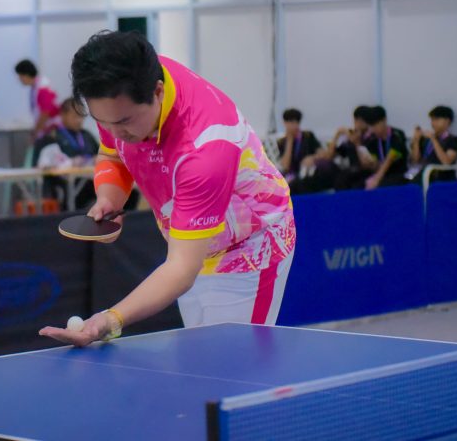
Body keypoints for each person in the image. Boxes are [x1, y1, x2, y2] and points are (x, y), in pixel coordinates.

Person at [39, 31, 295, 347]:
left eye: (124, 121)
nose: (114, 131)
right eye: (102, 122)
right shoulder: (118, 91)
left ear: (158, 92)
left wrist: (110, 319)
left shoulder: (205, 149)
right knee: (202, 355)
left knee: (233, 365)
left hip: (249, 248)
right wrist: (110, 197)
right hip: (190, 238)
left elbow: (181, 268)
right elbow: (112, 153)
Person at [35, 97, 100, 209]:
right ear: (63, 115)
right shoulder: (52, 137)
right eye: (75, 116)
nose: (79, 120)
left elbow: (101, 154)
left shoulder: (87, 135)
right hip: (66, 184)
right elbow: (45, 165)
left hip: (90, 180)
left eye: (81, 116)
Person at [290, 105, 372, 194]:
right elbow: (329, 155)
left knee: (342, 179)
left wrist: (357, 144)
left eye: (360, 121)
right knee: (300, 183)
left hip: (356, 173)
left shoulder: (370, 139)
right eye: (356, 120)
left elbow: (367, 163)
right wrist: (338, 134)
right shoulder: (349, 140)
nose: (357, 124)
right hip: (339, 171)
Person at [409, 105, 457, 183]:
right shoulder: (426, 139)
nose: (433, 123)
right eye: (432, 120)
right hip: (422, 174)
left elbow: (446, 161)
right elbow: (415, 160)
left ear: (447, 121)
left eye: (436, 119)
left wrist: (434, 139)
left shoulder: (453, 140)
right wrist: (416, 140)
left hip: (441, 176)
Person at [360, 105, 409, 189]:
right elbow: (376, 165)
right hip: (380, 174)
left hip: (397, 173)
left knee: (382, 186)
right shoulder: (372, 139)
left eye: (376, 125)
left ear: (384, 120)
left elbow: (390, 158)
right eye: (371, 126)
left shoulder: (397, 135)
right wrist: (370, 163)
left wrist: (377, 179)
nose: (373, 129)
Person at [14, 59, 61, 139]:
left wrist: (35, 132)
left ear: (26, 75)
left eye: (20, 76)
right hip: (46, 129)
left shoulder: (42, 87)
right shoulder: (35, 87)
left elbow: (45, 113)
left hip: (52, 130)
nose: (19, 79)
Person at [276, 108, 321, 181]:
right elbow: (285, 166)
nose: (295, 125)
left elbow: (322, 153)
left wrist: (312, 157)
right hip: (291, 176)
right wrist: (289, 141)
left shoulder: (308, 136)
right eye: (292, 122)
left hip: (308, 172)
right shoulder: (281, 142)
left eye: (297, 122)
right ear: (285, 123)